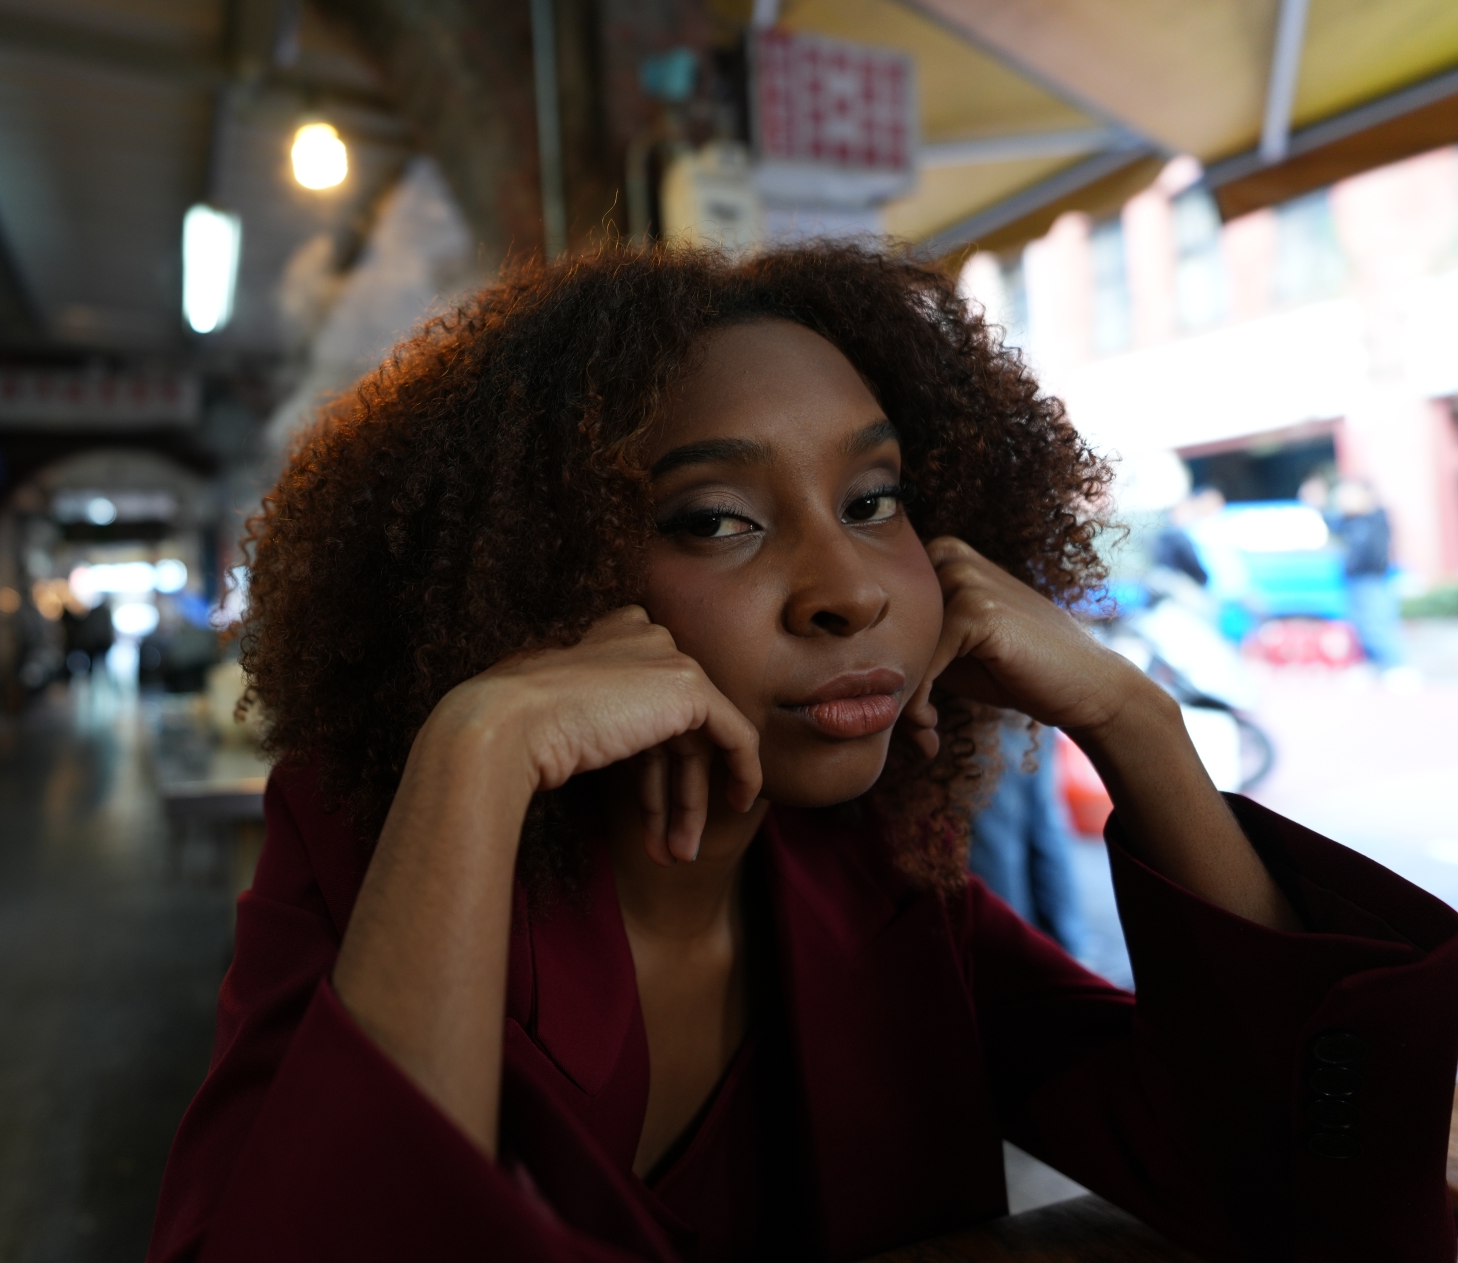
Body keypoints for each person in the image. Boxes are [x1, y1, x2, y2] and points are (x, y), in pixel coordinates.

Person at [149, 245, 1458, 1261]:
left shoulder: (875, 879)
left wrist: (1136, 723)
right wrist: (476, 750)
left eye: (874, 500)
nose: (846, 587)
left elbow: (1304, 1174)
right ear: (538, 583)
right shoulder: (379, 839)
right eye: (716, 519)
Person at [966, 720, 1087, 958]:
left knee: (996, 835)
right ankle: (1067, 959)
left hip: (983, 705)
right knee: (1042, 820)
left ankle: (1014, 961)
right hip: (1029, 705)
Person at [1331, 479, 1405, 672]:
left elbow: (1377, 553)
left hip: (1372, 579)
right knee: (1362, 625)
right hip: (1354, 580)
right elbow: (1331, 525)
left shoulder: (1375, 519)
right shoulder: (1350, 521)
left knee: (1377, 623)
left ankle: (1397, 666)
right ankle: (1375, 665)